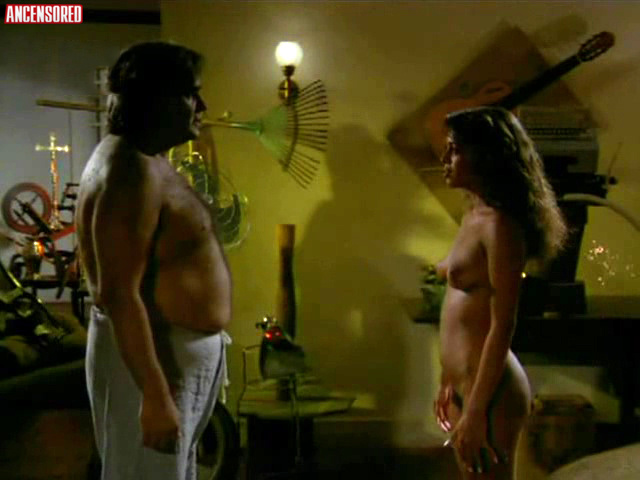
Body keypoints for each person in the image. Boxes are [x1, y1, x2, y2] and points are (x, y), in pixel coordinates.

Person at [75, 41, 232, 480]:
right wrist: (155, 396)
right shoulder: (129, 171)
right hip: (155, 370)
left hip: (174, 362)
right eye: (191, 94)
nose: (202, 105)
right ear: (157, 99)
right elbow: (118, 293)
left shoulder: (147, 160)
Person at [433, 106, 566, 479]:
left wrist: (476, 410)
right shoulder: (473, 215)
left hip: (490, 395)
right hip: (463, 387)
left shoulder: (501, 226)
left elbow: (503, 324)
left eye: (455, 150)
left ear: (484, 156)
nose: (444, 159)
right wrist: (446, 378)